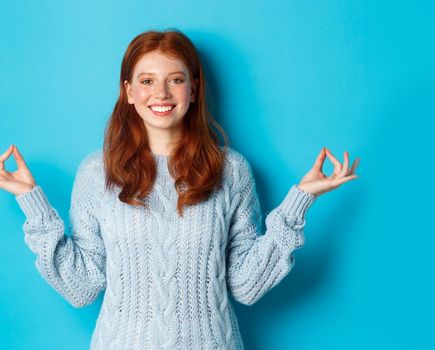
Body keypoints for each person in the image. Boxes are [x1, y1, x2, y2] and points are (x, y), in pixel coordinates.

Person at [0, 29, 359, 349]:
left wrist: (301, 200)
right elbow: (81, 286)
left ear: (194, 88)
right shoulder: (98, 173)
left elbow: (247, 286)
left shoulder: (230, 169)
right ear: (128, 91)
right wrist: (31, 202)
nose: (161, 93)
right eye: (146, 81)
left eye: (175, 79)